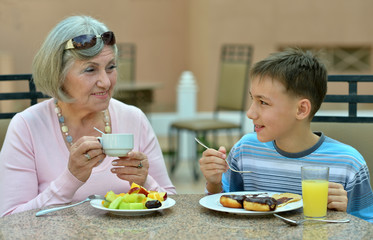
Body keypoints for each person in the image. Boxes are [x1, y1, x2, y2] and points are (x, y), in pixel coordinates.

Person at [0, 15, 176, 217]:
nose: (106, 82)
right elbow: (10, 221)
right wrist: (70, 179)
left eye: (111, 67)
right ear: (58, 75)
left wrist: (145, 181)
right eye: (90, 70)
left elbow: (171, 204)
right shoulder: (27, 127)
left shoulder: (133, 118)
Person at [199, 48, 373, 222]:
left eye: (263, 102)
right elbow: (226, 211)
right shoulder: (245, 150)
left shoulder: (348, 164)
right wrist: (214, 183)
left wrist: (347, 212)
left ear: (301, 109)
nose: (250, 113)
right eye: (252, 99)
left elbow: (367, 228)